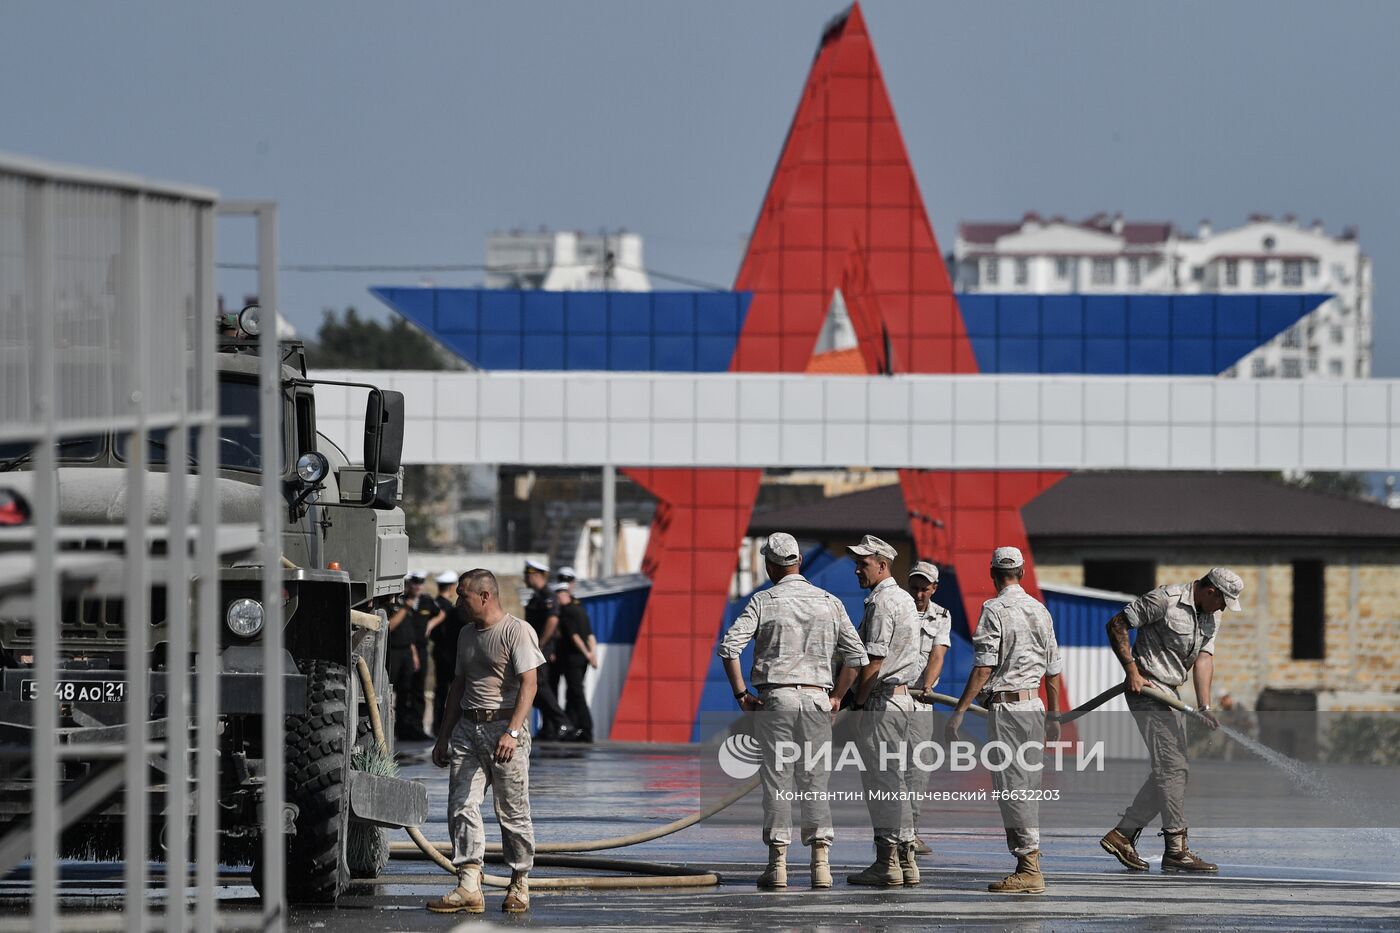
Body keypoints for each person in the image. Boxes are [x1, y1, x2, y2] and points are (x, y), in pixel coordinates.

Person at [718, 533, 868, 890]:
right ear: (799, 560)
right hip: (817, 700)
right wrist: (837, 696)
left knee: (779, 782)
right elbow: (857, 657)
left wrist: (741, 693)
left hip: (777, 700)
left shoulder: (764, 601)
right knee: (815, 781)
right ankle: (821, 865)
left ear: (771, 564)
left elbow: (729, 648)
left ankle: (779, 866)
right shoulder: (828, 602)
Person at [1098, 567, 1243, 875]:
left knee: (1174, 772)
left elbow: (1204, 658)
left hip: (1171, 694)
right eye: (1223, 601)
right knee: (1173, 770)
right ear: (1210, 591)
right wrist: (1131, 671)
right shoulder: (1165, 600)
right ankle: (1176, 849)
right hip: (1148, 689)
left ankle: (1122, 834)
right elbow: (1117, 624)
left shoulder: (1211, 615)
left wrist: (1204, 704)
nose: (1223, 609)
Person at [946, 546, 1064, 895]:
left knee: (1012, 786)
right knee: (1026, 785)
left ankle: (1029, 868)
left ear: (993, 574)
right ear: (1022, 574)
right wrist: (1054, 716)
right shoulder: (1040, 611)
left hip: (1009, 711)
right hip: (1034, 708)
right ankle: (1027, 863)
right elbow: (1053, 671)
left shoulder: (994, 609)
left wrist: (960, 710)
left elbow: (984, 666)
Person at [428, 569, 544, 915]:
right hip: (468, 727)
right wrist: (444, 735)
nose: (458, 601)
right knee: (461, 804)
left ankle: (520, 882)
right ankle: (469, 884)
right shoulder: (465, 633)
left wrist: (512, 731)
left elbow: (530, 685)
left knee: (511, 812)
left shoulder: (516, 631)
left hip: (504, 728)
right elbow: (458, 686)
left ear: (484, 596)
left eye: (463, 595)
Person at [844, 534, 923, 887]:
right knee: (897, 783)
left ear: (882, 564)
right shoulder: (905, 599)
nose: (856, 569)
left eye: (862, 563)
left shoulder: (880, 603)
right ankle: (906, 862)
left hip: (882, 701)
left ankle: (886, 862)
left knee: (882, 784)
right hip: (902, 700)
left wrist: (857, 704)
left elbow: (873, 662)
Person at [905, 561, 951, 857]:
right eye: (915, 588)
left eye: (925, 589)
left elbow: (938, 653)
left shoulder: (942, 616)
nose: (919, 594)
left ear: (934, 588)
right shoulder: (897, 607)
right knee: (886, 766)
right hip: (889, 697)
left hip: (920, 698)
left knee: (919, 766)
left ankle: (910, 830)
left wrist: (928, 685)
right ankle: (890, 833)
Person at [521, 559, 576, 740]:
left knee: (540, 686)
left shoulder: (548, 595)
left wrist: (541, 645)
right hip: (535, 647)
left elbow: (552, 621)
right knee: (537, 689)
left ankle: (563, 722)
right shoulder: (536, 597)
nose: (525, 579)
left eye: (527, 575)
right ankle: (550, 726)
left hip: (540, 648)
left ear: (536, 575)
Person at [553, 578, 598, 743]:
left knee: (576, 693)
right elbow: (591, 635)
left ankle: (586, 729)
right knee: (572, 693)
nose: (557, 599)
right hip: (582, 660)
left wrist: (587, 653)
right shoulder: (581, 610)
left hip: (573, 658)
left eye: (559, 595)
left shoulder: (567, 612)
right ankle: (573, 728)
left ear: (566, 595)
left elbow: (575, 636)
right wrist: (592, 655)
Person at [405, 569, 445, 741]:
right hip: (405, 648)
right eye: (415, 583)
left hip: (421, 649)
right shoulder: (404, 601)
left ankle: (418, 727)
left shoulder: (427, 601)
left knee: (419, 689)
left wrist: (430, 624)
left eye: (421, 583)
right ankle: (405, 727)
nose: (418, 586)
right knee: (405, 689)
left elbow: (441, 613)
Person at [430, 570, 468, 735]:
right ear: (452, 587)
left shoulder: (434, 605)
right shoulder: (454, 610)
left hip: (439, 653)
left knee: (441, 691)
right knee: (458, 691)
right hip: (454, 655)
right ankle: (453, 725)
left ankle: (438, 725)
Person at [386, 575, 418, 742]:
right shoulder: (394, 604)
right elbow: (390, 626)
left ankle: (403, 728)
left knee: (406, 692)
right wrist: (405, 608)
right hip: (395, 651)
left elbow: (409, 632)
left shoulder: (407, 603)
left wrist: (414, 654)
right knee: (391, 691)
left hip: (406, 651)